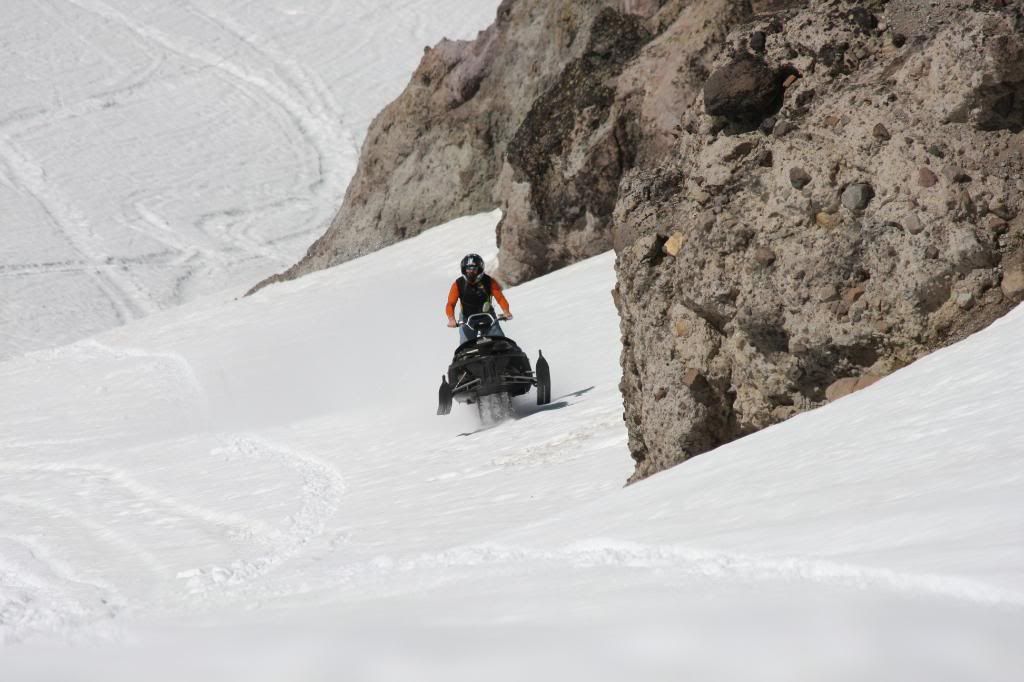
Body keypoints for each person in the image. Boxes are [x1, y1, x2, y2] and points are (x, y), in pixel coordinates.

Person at [445, 253, 513, 344]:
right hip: (467, 319)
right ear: (464, 270)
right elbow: (450, 303)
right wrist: (451, 319)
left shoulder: (489, 281)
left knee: (500, 341)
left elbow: (500, 298)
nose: (471, 272)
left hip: (488, 316)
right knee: (465, 345)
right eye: (468, 269)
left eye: (474, 269)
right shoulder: (458, 284)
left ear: (480, 269)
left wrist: (506, 311)